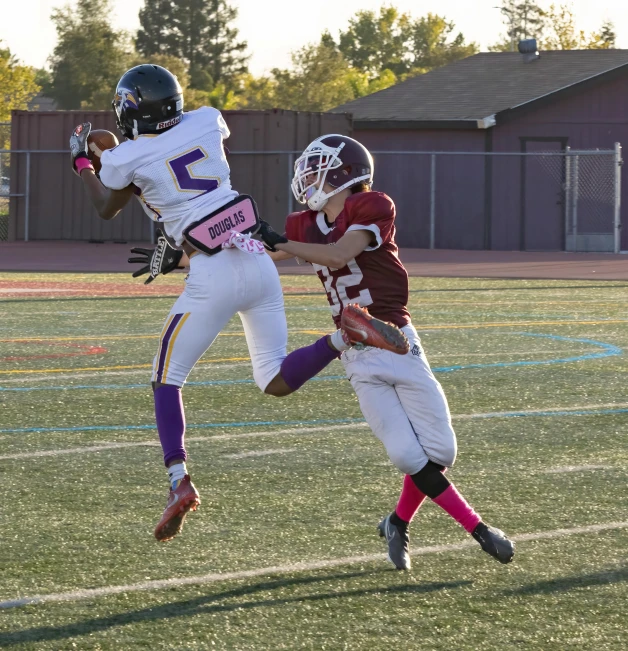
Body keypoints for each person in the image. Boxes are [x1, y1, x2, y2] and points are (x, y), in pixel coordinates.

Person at [69, 65, 408, 543]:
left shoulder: (130, 156)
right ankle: (344, 333)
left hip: (213, 273)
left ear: (132, 110)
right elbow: (174, 177)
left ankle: (177, 481)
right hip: (254, 260)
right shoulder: (206, 119)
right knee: (272, 378)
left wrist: (84, 163)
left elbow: (108, 204)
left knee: (166, 376)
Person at [256, 134, 515, 569]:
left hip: (396, 340)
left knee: (442, 453)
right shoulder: (302, 224)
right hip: (355, 348)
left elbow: (340, 255)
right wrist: (192, 257)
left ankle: (396, 521)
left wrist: (277, 243)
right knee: (407, 456)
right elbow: (256, 255)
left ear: (342, 173)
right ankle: (478, 529)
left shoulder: (372, 205)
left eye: (318, 166)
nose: (308, 175)